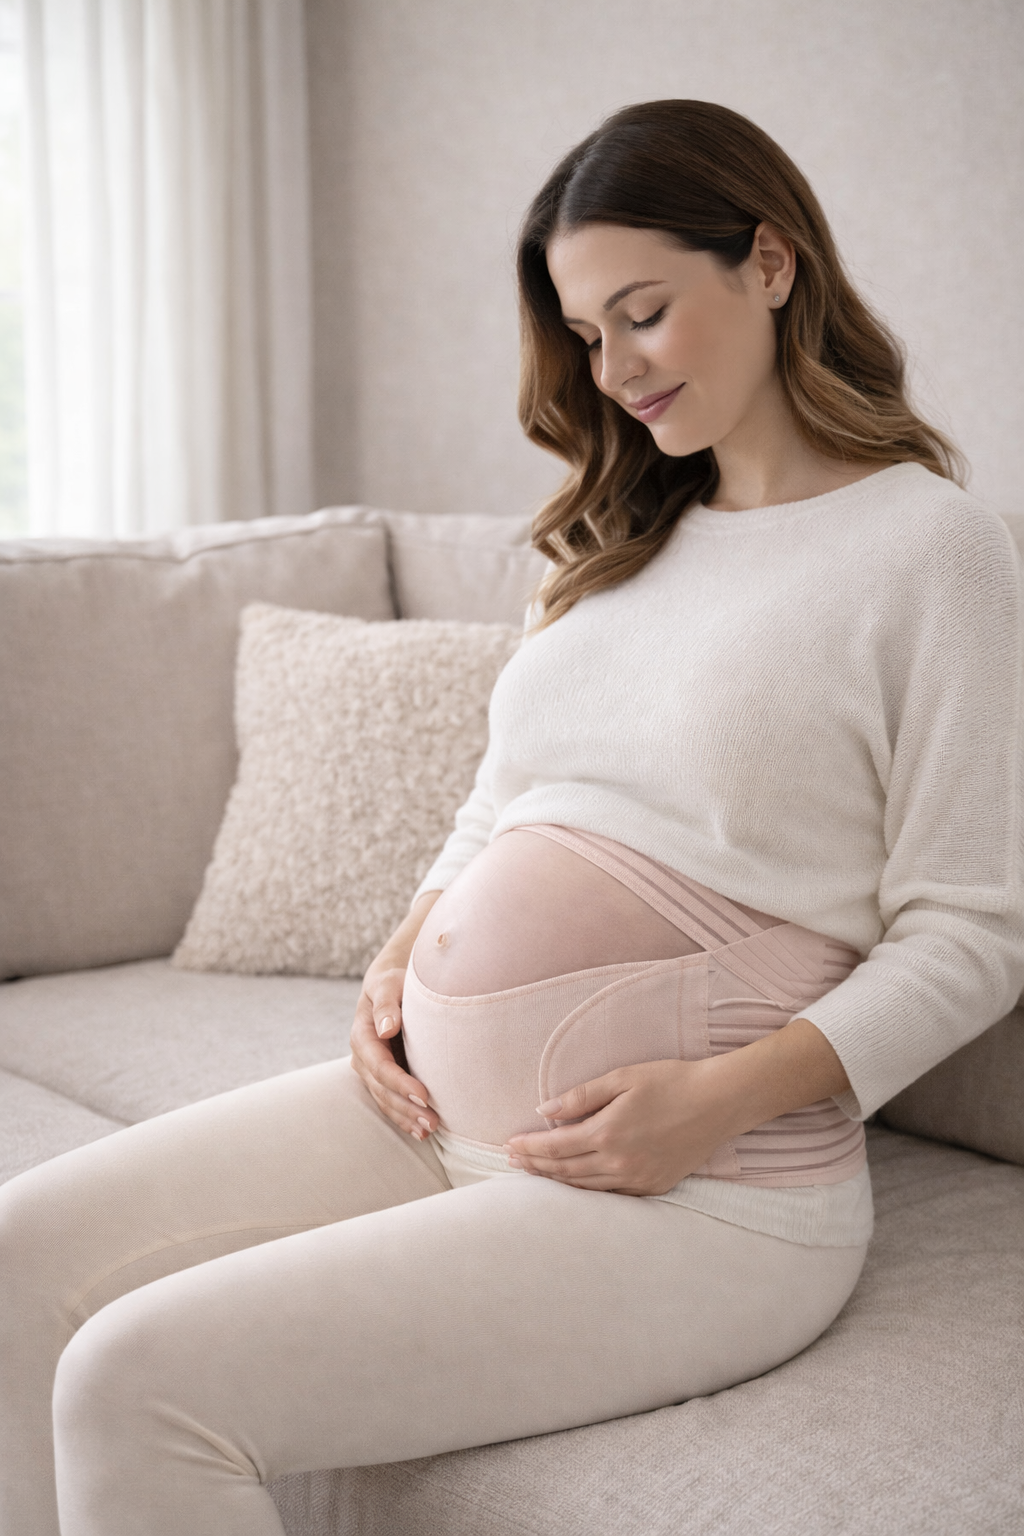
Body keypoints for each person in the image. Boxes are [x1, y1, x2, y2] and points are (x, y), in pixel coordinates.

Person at [2, 99, 1022, 1536]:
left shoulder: (934, 550)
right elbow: (507, 795)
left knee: (136, 1379)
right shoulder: (616, 537)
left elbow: (973, 936)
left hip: (708, 1190)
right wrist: (405, 949)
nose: (616, 370)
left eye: (643, 313)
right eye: (587, 335)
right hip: (432, 1112)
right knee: (15, 1261)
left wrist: (717, 1101)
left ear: (771, 262)